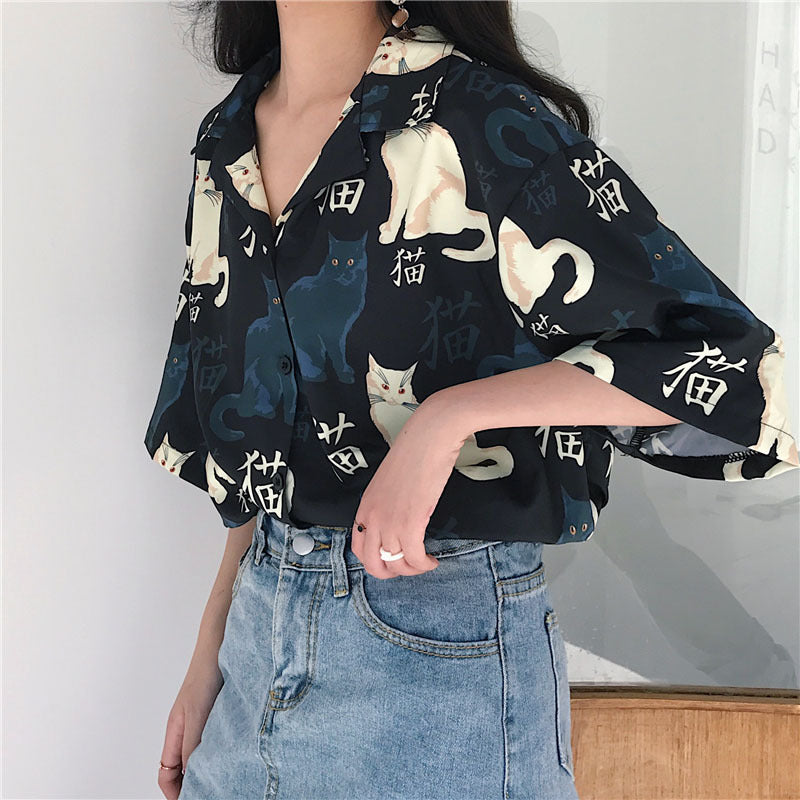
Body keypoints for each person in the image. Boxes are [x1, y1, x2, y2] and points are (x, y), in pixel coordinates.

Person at [144, 1, 799, 798]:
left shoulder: (481, 119)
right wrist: (207, 654)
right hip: (253, 657)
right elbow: (256, 451)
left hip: (440, 661)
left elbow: (730, 366)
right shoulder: (226, 141)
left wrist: (451, 418)